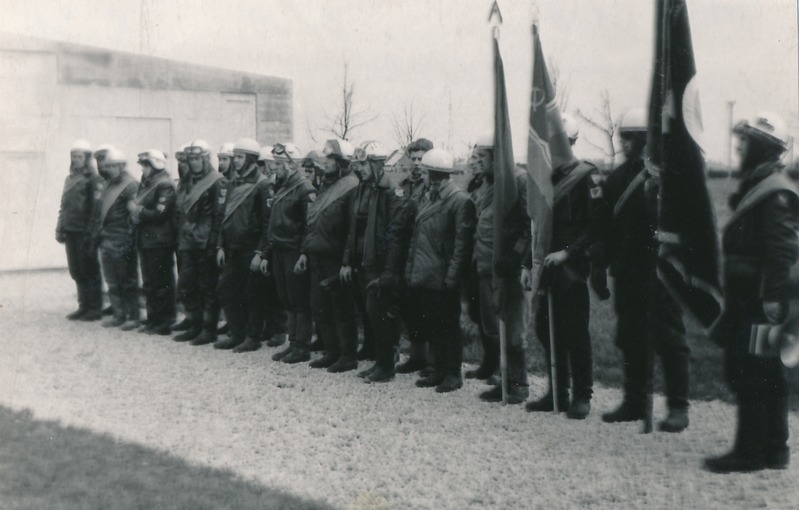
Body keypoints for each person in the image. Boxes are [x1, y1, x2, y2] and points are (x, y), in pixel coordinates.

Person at [705, 112, 799, 473]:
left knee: (750, 372)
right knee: (765, 372)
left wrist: (773, 297)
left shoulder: (773, 191)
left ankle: (750, 452)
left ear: (761, 147)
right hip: (752, 299)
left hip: (761, 302)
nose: (739, 146)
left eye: (745, 142)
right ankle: (775, 449)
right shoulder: (763, 184)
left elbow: (782, 250)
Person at [597, 109, 690, 431]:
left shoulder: (671, 175)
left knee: (670, 338)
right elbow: (606, 228)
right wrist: (601, 269)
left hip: (663, 272)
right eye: (624, 137)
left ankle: (678, 405)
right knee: (630, 338)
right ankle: (635, 401)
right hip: (628, 271)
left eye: (633, 138)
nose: (626, 144)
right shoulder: (619, 177)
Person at [525, 114, 603, 419]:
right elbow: (534, 225)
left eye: (563, 144)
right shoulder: (542, 177)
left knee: (575, 333)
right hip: (545, 264)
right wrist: (526, 263)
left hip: (571, 267)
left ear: (572, 143)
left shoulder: (587, 175)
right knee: (546, 329)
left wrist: (568, 253)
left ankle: (582, 395)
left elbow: (595, 226)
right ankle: (557, 392)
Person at [404, 149, 475, 393]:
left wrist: (453, 277)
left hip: (443, 276)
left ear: (433, 175)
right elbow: (416, 239)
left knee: (449, 327)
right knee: (433, 324)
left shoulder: (459, 201)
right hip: (425, 275)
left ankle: (453, 373)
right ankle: (437, 369)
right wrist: (411, 271)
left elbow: (461, 245)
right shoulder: (428, 198)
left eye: (424, 172)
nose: (422, 176)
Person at [471, 134, 532, 404]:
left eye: (482, 157)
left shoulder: (518, 180)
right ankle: (502, 374)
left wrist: (517, 255)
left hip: (509, 270)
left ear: (497, 156)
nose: (477, 162)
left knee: (513, 327)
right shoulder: (486, 183)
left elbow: (531, 226)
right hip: (485, 265)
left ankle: (517, 384)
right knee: (493, 325)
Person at [346, 140, 412, 383]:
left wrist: (389, 271)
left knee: (381, 314)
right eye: (357, 164)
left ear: (376, 164)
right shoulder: (368, 187)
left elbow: (396, 235)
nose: (359, 168)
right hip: (367, 262)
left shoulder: (390, 192)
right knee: (372, 313)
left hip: (382, 266)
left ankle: (385, 366)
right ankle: (379, 361)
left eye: (363, 164)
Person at [303, 139, 360, 373]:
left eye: (329, 159)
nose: (324, 162)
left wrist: (347, 260)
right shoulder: (325, 184)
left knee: (342, 308)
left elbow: (352, 228)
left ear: (341, 162)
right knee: (321, 306)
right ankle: (332, 351)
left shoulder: (351, 186)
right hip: (318, 253)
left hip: (336, 256)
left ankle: (348, 355)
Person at [214, 138, 272, 352]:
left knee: (252, 294)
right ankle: (237, 334)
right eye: (235, 157)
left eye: (239, 157)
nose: (235, 161)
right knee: (226, 290)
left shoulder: (263, 184)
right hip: (232, 248)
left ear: (251, 159)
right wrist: (220, 245)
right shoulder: (232, 183)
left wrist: (261, 252)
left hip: (251, 248)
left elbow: (268, 222)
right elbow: (224, 217)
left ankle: (252, 337)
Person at [264, 142, 316, 364]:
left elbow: (309, 226)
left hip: (294, 250)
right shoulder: (282, 187)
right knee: (286, 298)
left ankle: (302, 346)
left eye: (278, 163)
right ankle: (293, 343)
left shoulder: (305, 189)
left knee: (298, 300)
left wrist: (304, 253)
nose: (274, 168)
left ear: (291, 165)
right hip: (280, 249)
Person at [173, 140, 226, 345]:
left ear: (205, 159)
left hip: (205, 243)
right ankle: (194, 325)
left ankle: (208, 329)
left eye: (197, 158)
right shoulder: (187, 181)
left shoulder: (216, 181)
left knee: (208, 288)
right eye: (191, 159)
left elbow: (218, 217)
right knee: (186, 286)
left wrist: (213, 244)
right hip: (188, 242)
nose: (194, 163)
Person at [396, 137, 435, 374]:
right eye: (414, 159)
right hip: (406, 253)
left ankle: (432, 360)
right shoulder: (403, 186)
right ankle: (416, 356)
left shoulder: (433, 187)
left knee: (428, 308)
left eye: (421, 159)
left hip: (426, 253)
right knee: (410, 307)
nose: (417, 164)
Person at [91, 149, 140, 329]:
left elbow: (134, 214)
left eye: (113, 166)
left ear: (121, 166)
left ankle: (133, 317)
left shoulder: (130, 185)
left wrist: (129, 238)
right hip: (107, 239)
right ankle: (119, 314)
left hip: (122, 239)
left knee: (128, 281)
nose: (110, 169)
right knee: (112, 281)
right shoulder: (108, 184)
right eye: (108, 166)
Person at [56, 139, 104, 321]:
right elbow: (64, 205)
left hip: (85, 231)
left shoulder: (93, 179)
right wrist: (60, 227)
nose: (76, 160)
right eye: (73, 157)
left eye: (79, 156)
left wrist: (92, 233)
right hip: (70, 230)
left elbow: (95, 209)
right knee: (76, 269)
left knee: (89, 268)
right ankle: (84, 305)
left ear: (86, 158)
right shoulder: (69, 179)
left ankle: (95, 307)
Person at [130, 149, 177, 336]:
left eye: (145, 165)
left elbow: (160, 213)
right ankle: (153, 318)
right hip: (147, 240)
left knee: (161, 283)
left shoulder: (164, 184)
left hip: (159, 241)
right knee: (150, 283)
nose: (142, 169)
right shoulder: (147, 183)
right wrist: (137, 213)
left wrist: (139, 212)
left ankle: (164, 321)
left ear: (155, 165)